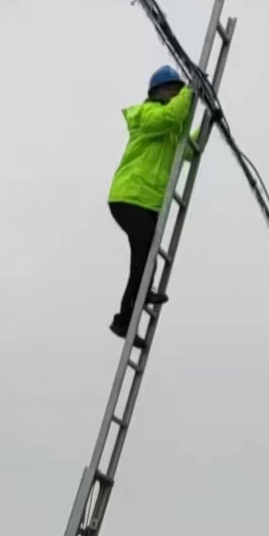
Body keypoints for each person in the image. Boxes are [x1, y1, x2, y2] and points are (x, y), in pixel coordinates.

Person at [107, 64, 194, 339]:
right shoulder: (147, 115)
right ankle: (137, 302)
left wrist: (207, 122)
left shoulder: (170, 130)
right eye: (173, 90)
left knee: (146, 260)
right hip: (129, 196)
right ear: (157, 92)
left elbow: (190, 149)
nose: (177, 95)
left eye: (179, 91)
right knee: (145, 249)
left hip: (149, 203)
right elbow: (171, 115)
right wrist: (192, 92)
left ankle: (124, 320)